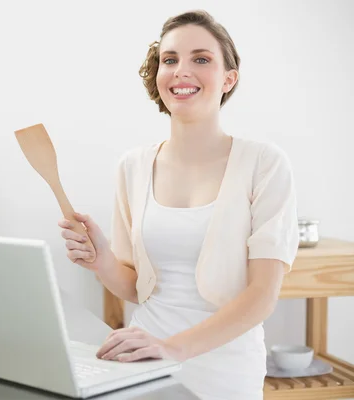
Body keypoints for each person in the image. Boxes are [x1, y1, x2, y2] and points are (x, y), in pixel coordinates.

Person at [58, 9, 299, 400]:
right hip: (145, 359)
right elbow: (138, 289)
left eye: (200, 59)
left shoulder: (264, 164)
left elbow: (261, 297)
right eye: (170, 60)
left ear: (228, 78)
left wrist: (174, 348)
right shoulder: (132, 166)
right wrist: (100, 261)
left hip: (225, 369)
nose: (181, 70)